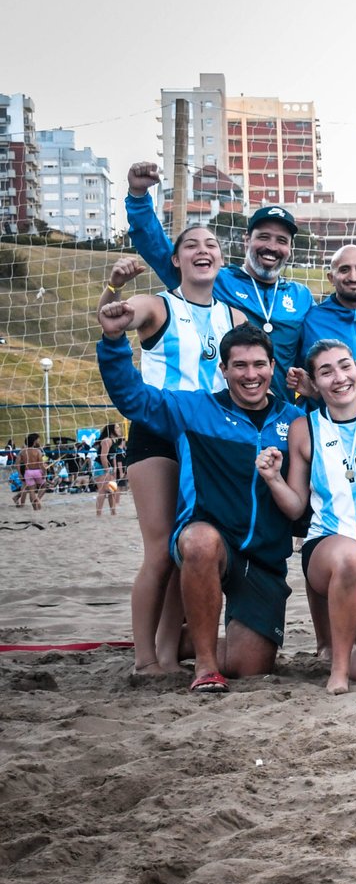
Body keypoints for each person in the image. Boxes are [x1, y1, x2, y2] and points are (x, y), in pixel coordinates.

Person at [98, 312, 304, 693]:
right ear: (223, 369)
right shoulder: (195, 410)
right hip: (212, 540)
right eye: (239, 365)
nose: (250, 374)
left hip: (262, 560)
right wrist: (113, 343)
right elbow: (133, 398)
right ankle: (205, 667)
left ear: (273, 367)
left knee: (251, 665)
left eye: (259, 364)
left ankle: (181, 637)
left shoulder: (294, 421)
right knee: (198, 542)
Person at [98, 240, 245, 675]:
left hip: (209, 438)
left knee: (188, 549)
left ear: (221, 259)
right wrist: (113, 289)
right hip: (160, 432)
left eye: (212, 245)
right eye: (192, 245)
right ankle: (144, 659)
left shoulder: (233, 316)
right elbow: (115, 319)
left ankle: (166, 652)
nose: (204, 250)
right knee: (160, 552)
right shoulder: (158, 306)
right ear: (175, 260)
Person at [123, 163, 356, 398]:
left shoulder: (301, 296)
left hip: (281, 416)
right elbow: (159, 251)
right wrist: (138, 198)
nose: (272, 247)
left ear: (290, 250)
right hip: (228, 409)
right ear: (246, 240)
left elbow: (330, 325)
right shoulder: (215, 280)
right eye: (264, 237)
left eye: (281, 241)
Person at [256, 341, 356, 693]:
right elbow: (297, 507)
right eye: (326, 371)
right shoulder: (305, 428)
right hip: (331, 550)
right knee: (352, 556)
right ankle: (339, 669)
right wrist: (272, 479)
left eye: (345, 366)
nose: (339, 377)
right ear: (314, 384)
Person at [294, 245, 356, 396]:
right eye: (344, 269)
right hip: (321, 417)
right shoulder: (309, 320)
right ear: (331, 278)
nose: (353, 277)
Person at [95, 424, 123, 517]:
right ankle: (98, 514)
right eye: (117, 428)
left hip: (109, 466)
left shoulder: (115, 441)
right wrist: (107, 470)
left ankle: (113, 512)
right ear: (111, 430)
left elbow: (113, 456)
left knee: (112, 489)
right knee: (102, 490)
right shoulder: (107, 440)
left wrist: (114, 469)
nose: (119, 429)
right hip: (100, 466)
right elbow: (103, 457)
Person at [17, 433, 45, 511]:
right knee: (44, 486)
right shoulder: (37, 451)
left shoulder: (22, 451)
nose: (39, 440)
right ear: (35, 441)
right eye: (38, 439)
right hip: (37, 471)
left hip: (28, 472)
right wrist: (44, 473)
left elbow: (17, 463)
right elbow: (41, 464)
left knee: (31, 490)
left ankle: (35, 508)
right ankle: (38, 499)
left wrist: (19, 473)